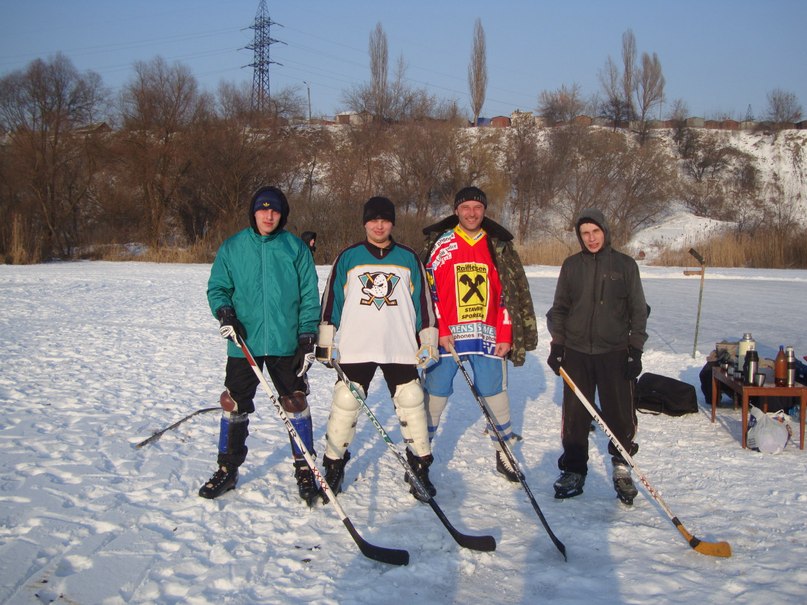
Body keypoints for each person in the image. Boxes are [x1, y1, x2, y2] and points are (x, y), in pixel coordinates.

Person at [202, 186, 321, 504]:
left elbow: (309, 294)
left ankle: (306, 468)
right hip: (245, 341)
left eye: (275, 210)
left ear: (283, 214)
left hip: (286, 341)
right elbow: (218, 287)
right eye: (262, 209)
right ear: (253, 213)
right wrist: (224, 312)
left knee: (295, 402)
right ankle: (228, 469)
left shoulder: (295, 248)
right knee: (234, 403)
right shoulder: (233, 247)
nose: (269, 216)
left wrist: (307, 335)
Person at [316, 196, 439, 502]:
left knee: (411, 400)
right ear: (365, 223)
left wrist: (428, 339)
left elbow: (423, 303)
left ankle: (419, 467)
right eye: (373, 220)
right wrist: (326, 338)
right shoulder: (349, 257)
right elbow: (332, 299)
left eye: (385, 220)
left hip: (399, 344)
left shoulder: (409, 258)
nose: (379, 225)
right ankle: (333, 465)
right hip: (357, 344)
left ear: (392, 223)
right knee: (346, 401)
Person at [421, 186, 537, 482]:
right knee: (435, 393)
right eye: (465, 207)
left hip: (487, 334)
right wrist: (440, 328)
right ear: (456, 211)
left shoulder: (496, 245)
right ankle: (420, 455)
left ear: (484, 211)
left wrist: (506, 333)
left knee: (494, 392)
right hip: (447, 336)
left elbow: (509, 293)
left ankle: (504, 452)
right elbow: (430, 290)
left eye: (477, 207)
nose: (471, 213)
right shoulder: (442, 243)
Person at [546, 208, 648, 505]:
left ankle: (621, 465)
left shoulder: (625, 265)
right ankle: (574, 469)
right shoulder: (571, 266)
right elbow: (560, 308)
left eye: (595, 232)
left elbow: (638, 310)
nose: (591, 239)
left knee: (620, 413)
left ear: (605, 232)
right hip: (577, 351)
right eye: (585, 234)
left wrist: (635, 350)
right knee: (575, 415)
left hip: (614, 351)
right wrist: (558, 346)